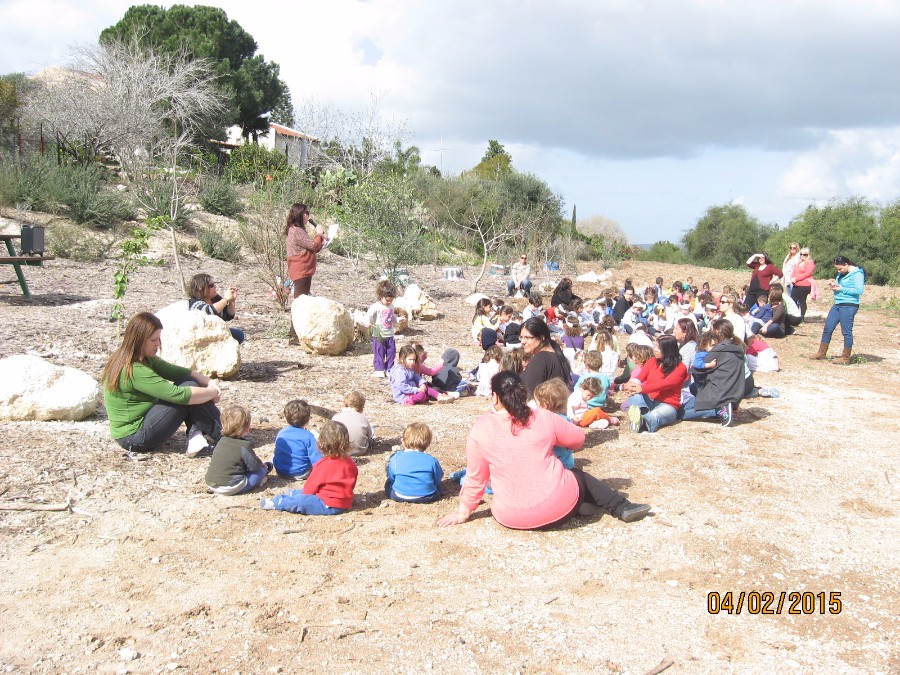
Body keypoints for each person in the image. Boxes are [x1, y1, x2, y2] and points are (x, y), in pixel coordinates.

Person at [437, 371, 651, 530]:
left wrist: (464, 511)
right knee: (578, 476)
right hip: (558, 507)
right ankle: (621, 507)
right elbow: (578, 439)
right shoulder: (543, 417)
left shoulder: (481, 427)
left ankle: (580, 505)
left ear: (495, 397)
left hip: (511, 516)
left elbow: (476, 476)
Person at [101, 311, 222, 456]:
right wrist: (212, 393)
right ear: (138, 340)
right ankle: (222, 433)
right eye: (153, 340)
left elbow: (179, 372)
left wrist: (210, 382)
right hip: (133, 437)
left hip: (145, 421)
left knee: (189, 382)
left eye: (159, 339)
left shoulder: (141, 358)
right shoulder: (134, 369)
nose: (158, 344)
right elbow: (179, 395)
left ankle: (197, 440)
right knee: (187, 392)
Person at [261, 421, 357, 516]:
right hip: (344, 502)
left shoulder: (323, 465)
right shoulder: (350, 463)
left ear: (322, 443)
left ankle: (277, 502)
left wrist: (305, 495)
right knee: (302, 495)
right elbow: (351, 482)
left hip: (327, 504)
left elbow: (309, 489)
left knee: (301, 501)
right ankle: (293, 493)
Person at [681, 319, 747, 427]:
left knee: (680, 413)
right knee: (694, 387)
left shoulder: (718, 350)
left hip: (720, 394)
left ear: (717, 331)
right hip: (736, 393)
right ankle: (725, 408)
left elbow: (697, 371)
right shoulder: (737, 348)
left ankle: (719, 410)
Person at [623, 335, 688, 434]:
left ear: (668, 350)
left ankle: (642, 421)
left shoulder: (680, 368)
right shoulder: (652, 361)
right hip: (649, 400)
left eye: (658, 347)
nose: (655, 350)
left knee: (655, 415)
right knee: (634, 394)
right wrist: (631, 385)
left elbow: (665, 384)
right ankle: (641, 413)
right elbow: (640, 377)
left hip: (668, 405)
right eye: (655, 346)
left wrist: (641, 388)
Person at [205, 405, 272, 495]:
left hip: (211, 483)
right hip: (230, 487)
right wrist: (262, 466)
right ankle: (263, 477)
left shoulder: (221, 441)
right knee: (260, 471)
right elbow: (254, 467)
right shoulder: (244, 445)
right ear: (247, 428)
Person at [810, 255, 865, 365]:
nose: (838, 271)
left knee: (846, 331)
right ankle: (821, 352)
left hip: (849, 305)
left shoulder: (857, 274)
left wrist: (842, 289)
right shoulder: (842, 273)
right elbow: (840, 286)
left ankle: (845, 357)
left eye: (840, 268)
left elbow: (859, 290)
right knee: (828, 328)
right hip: (838, 304)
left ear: (846, 264)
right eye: (837, 269)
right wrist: (835, 285)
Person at [384, 423, 444, 503]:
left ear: (403, 441)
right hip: (427, 496)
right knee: (438, 486)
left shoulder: (395, 459)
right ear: (428, 444)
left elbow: (391, 477)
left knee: (389, 483)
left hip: (399, 495)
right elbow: (438, 478)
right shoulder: (431, 460)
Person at [520, 317, 573, 399]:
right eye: (521, 337)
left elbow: (530, 396)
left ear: (541, 337)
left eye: (527, 338)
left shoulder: (539, 360)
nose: (523, 342)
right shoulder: (558, 356)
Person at [187, 273, 244, 344]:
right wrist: (226, 299)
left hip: (216, 330)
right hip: (201, 334)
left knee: (239, 335)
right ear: (201, 288)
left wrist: (231, 300)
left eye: (214, 284)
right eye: (211, 286)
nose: (215, 287)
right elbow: (208, 311)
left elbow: (229, 315)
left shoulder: (216, 299)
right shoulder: (195, 303)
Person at [273, 399, 322, 479]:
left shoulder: (281, 432)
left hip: (280, 471)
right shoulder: (308, 436)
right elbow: (316, 459)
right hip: (301, 472)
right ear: (308, 418)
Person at [390, 345, 454, 404]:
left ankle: (439, 396)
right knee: (421, 395)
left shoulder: (409, 368)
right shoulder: (399, 371)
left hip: (412, 390)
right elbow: (402, 386)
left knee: (425, 387)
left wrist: (422, 384)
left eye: (414, 360)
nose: (412, 362)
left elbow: (416, 377)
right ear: (402, 359)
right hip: (403, 396)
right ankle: (421, 397)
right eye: (410, 359)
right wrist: (416, 389)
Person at [285, 203, 325, 298]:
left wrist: (322, 239)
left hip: (303, 269)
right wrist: (319, 234)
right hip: (301, 269)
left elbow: (312, 247)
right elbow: (313, 245)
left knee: (303, 299)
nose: (308, 215)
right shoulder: (296, 230)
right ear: (301, 214)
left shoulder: (297, 230)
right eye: (306, 212)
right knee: (300, 300)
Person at [366, 280, 399, 378]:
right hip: (379, 334)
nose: (389, 302)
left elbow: (392, 317)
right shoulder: (375, 307)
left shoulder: (391, 306)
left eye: (391, 300)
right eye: (387, 300)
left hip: (389, 333)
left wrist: (398, 319)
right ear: (380, 296)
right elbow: (369, 315)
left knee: (391, 352)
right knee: (379, 352)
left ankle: (389, 368)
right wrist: (367, 322)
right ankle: (379, 369)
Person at [332, 391, 374, 457]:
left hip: (339, 450)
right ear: (361, 408)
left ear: (344, 404)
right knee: (371, 428)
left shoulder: (336, 416)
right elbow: (369, 436)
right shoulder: (363, 418)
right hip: (359, 450)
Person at [790, 247, 816, 321]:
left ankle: (801, 317)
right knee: (793, 300)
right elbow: (794, 272)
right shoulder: (799, 263)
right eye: (801, 254)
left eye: (805, 254)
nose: (802, 256)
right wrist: (792, 278)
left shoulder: (810, 263)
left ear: (808, 255)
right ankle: (794, 315)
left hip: (804, 285)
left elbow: (807, 274)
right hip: (796, 284)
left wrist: (796, 279)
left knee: (802, 301)